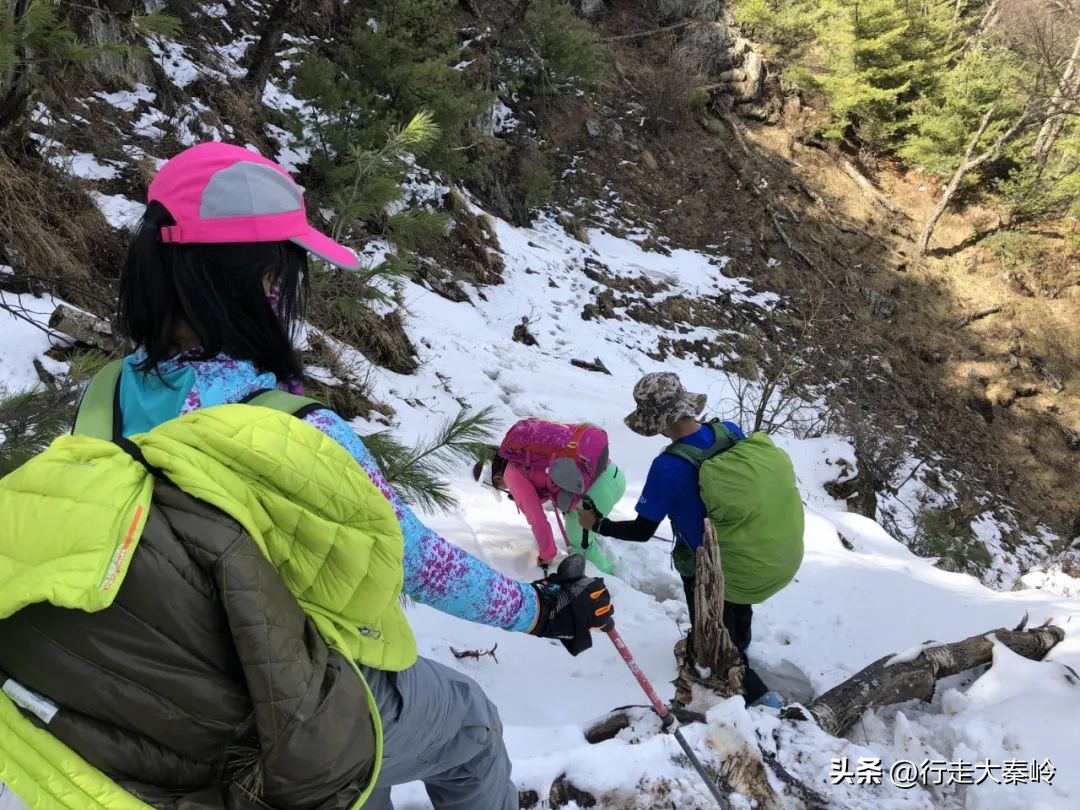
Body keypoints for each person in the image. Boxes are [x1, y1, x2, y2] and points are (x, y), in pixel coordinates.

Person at [0, 143, 615, 810]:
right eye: (285, 277)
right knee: (470, 724)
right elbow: (412, 557)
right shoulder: (293, 428)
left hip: (168, 709)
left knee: (362, 771)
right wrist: (541, 611)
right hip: (284, 707)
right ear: (262, 282)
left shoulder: (104, 397)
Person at [577, 372, 804, 708]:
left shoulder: (669, 467)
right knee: (738, 609)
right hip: (748, 552)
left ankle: (760, 699)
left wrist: (598, 525)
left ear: (657, 422)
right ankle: (742, 642)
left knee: (714, 632)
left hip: (710, 566)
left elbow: (641, 531)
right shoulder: (728, 432)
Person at [473, 447, 626, 573]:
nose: (502, 490)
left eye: (498, 488)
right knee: (575, 520)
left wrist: (547, 554)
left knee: (579, 541)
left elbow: (537, 520)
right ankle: (591, 535)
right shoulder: (518, 454)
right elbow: (547, 480)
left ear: (497, 478)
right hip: (611, 473)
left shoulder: (511, 475)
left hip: (596, 492)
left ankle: (607, 576)